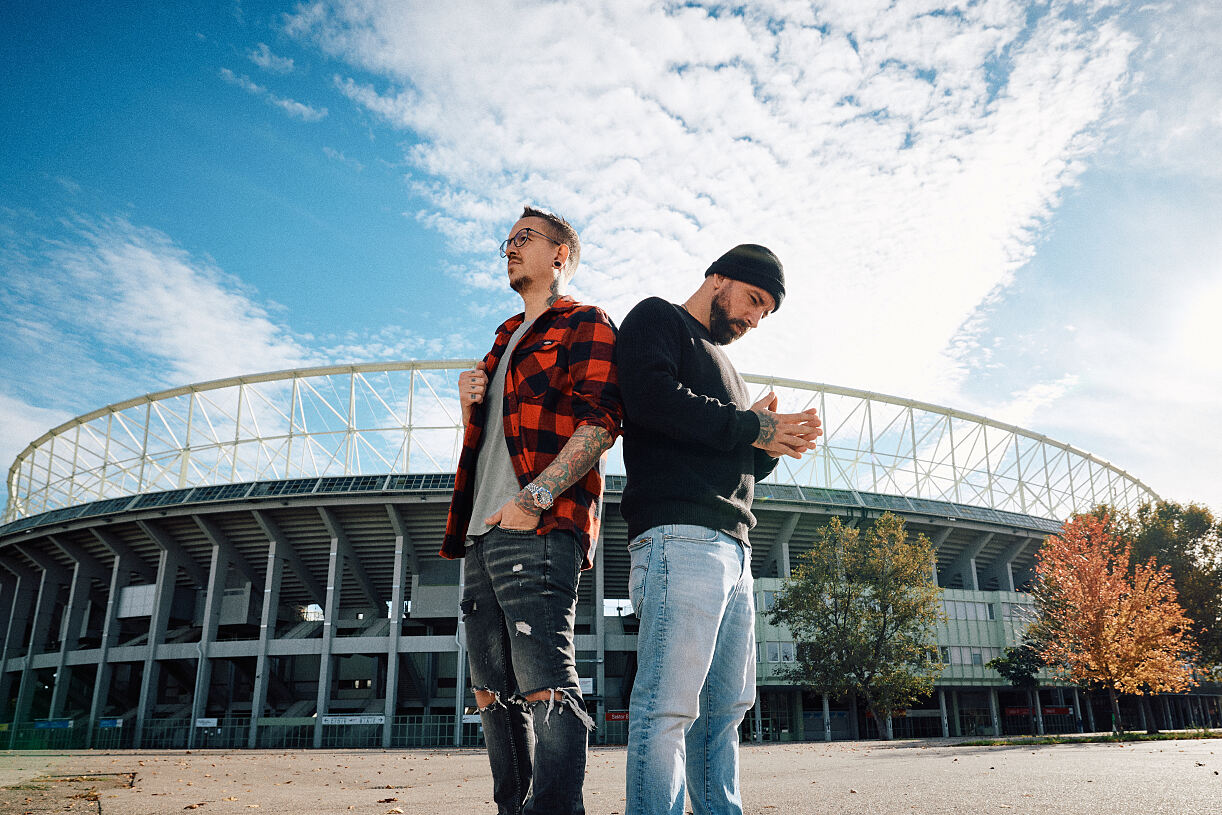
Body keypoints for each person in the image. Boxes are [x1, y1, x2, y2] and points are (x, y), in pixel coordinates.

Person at [616, 244, 822, 815]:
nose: (755, 319)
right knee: (667, 707)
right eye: (753, 300)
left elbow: (735, 461)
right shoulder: (657, 318)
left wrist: (772, 445)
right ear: (717, 279)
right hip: (679, 536)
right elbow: (652, 400)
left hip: (736, 549)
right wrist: (752, 426)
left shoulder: (728, 369)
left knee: (724, 712)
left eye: (765, 312)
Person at [440, 206, 622, 815]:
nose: (510, 249)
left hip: (537, 526)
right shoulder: (504, 336)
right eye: (508, 241)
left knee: (545, 682)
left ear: (560, 255)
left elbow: (603, 421)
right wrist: (470, 407)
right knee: (490, 692)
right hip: (480, 530)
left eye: (524, 238)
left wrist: (534, 499)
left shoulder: (585, 322)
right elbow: (495, 440)